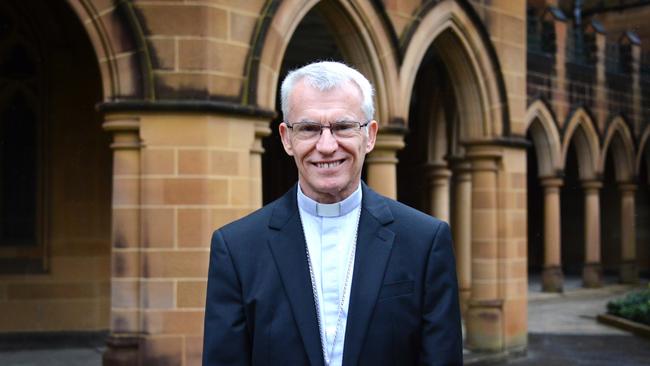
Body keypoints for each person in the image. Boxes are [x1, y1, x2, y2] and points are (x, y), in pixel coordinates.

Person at [203, 61, 462, 366]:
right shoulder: (236, 248)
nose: (326, 146)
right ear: (287, 138)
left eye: (343, 127)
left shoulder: (425, 241)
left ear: (370, 135)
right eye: (309, 129)